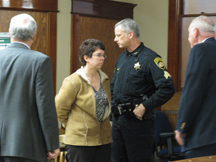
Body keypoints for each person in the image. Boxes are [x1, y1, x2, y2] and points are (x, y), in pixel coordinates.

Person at [110, 18, 175, 162]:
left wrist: (146, 105)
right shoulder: (122, 58)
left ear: (130, 34)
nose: (115, 39)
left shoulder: (150, 58)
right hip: (118, 121)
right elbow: (114, 88)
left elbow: (168, 88)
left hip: (137, 123)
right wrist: (111, 116)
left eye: (118, 35)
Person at [0, 13, 60, 162]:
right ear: (34, 36)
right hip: (26, 146)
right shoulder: (40, 61)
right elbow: (45, 106)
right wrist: (52, 143)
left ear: (9, 33)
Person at [55, 39, 112, 162]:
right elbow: (59, 108)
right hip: (80, 141)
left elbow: (107, 107)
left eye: (103, 55)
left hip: (104, 139)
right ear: (86, 58)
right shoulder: (73, 81)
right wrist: (72, 125)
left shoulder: (105, 79)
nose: (102, 58)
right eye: (98, 55)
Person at [175, 15, 216, 159]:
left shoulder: (200, 50)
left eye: (188, 33)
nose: (188, 38)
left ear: (195, 32)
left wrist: (182, 126)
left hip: (203, 135)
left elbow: (192, 92)